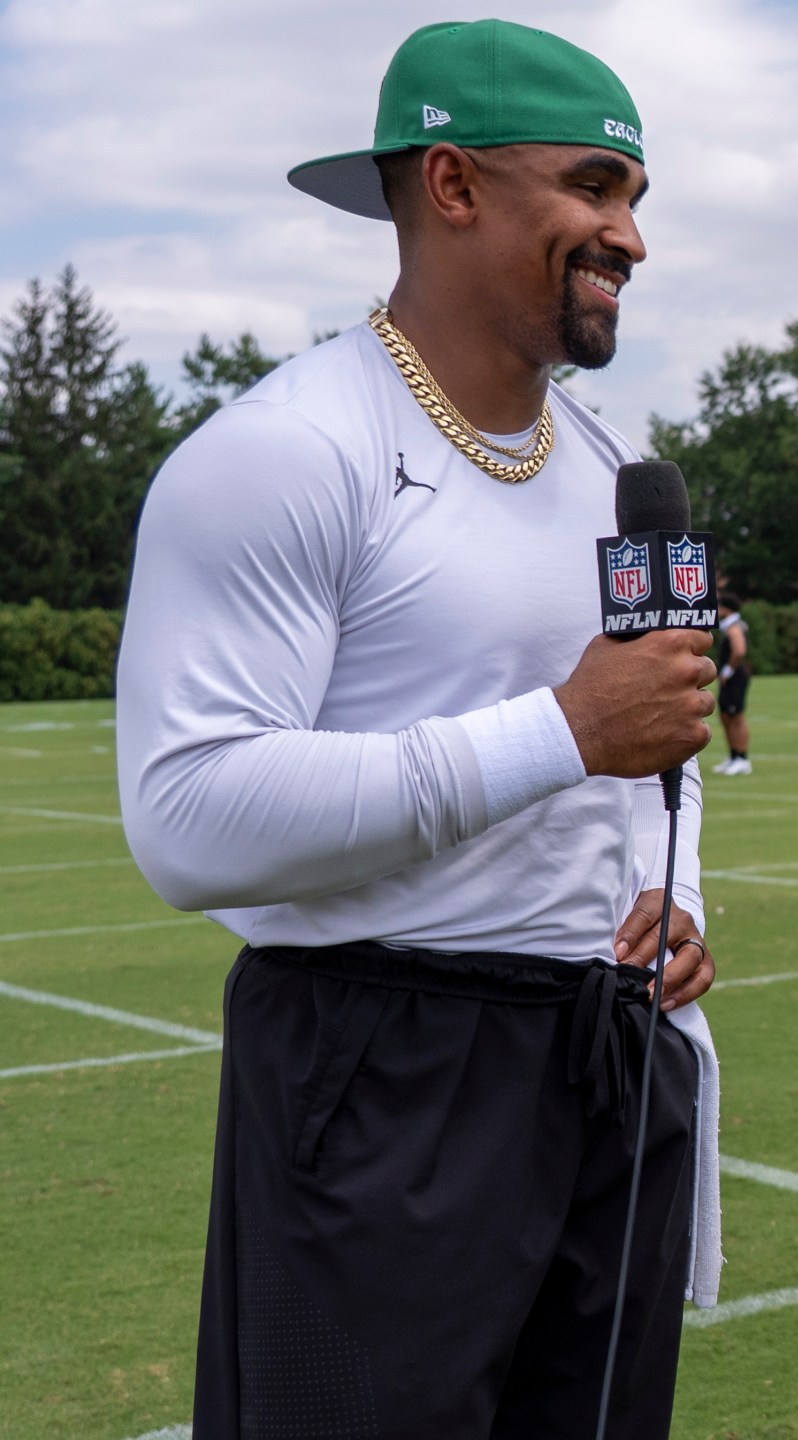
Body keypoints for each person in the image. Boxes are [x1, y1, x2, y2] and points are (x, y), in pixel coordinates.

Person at [116, 22, 723, 1439]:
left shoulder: (614, 469)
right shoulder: (284, 451)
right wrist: (563, 731)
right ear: (451, 185)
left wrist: (674, 891)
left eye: (637, 198)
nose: (627, 235)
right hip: (380, 1069)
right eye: (592, 188)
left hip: (605, 1055)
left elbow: (645, 746)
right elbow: (189, 816)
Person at [713, 592, 752, 774]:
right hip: (728, 677)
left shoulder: (734, 627)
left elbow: (739, 650)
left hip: (735, 676)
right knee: (725, 716)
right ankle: (733, 755)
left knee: (736, 716)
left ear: (727, 609)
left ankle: (742, 759)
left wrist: (728, 670)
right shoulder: (728, 626)